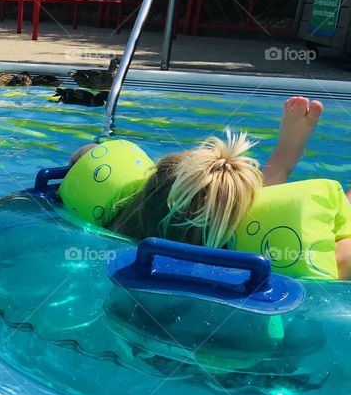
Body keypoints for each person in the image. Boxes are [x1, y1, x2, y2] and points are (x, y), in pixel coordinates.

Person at [60, 96, 351, 279]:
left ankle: (280, 162)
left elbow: (84, 154)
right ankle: (284, 159)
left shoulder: (115, 223)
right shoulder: (242, 260)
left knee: (223, 198)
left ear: (145, 190)